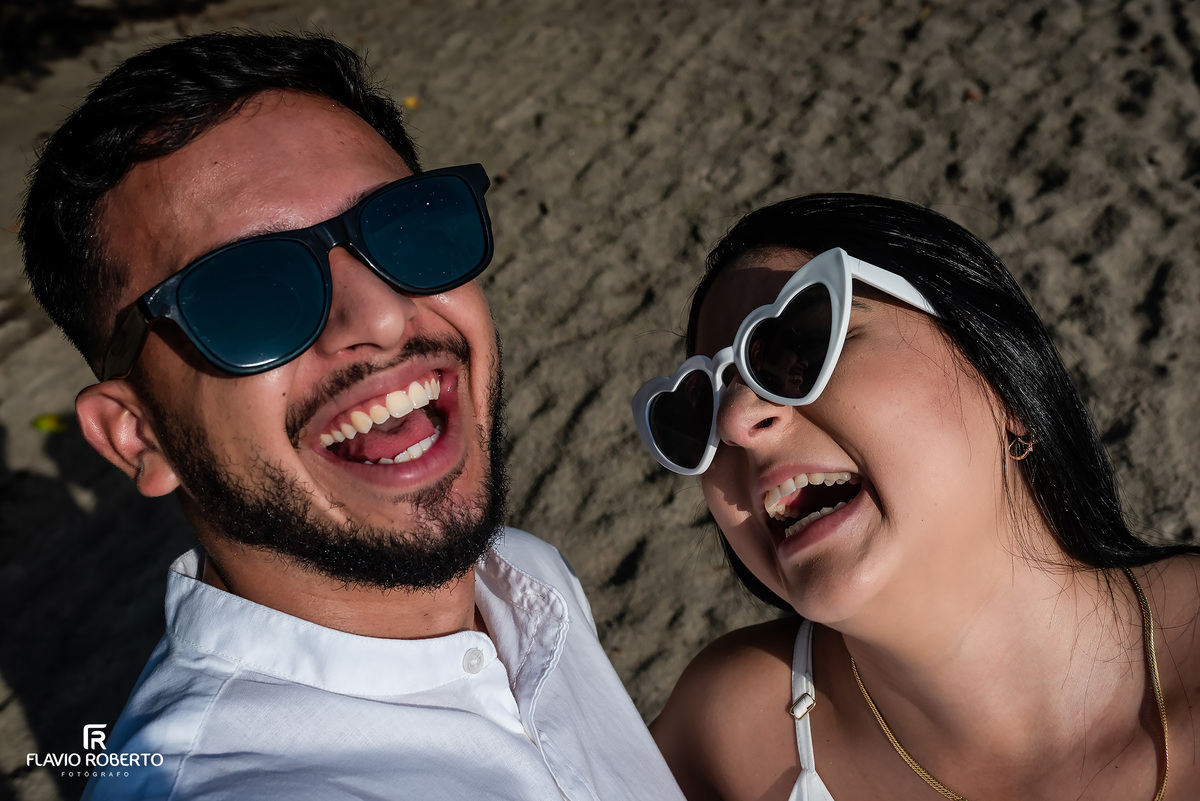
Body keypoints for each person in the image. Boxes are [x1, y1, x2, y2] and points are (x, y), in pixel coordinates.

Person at [20, 30, 684, 801]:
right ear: (138, 434)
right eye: (248, 292)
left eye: (402, 223)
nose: (383, 316)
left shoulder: (523, 576)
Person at [632, 193, 1200, 800]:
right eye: (699, 407)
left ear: (999, 375)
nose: (737, 420)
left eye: (803, 340)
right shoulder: (722, 739)